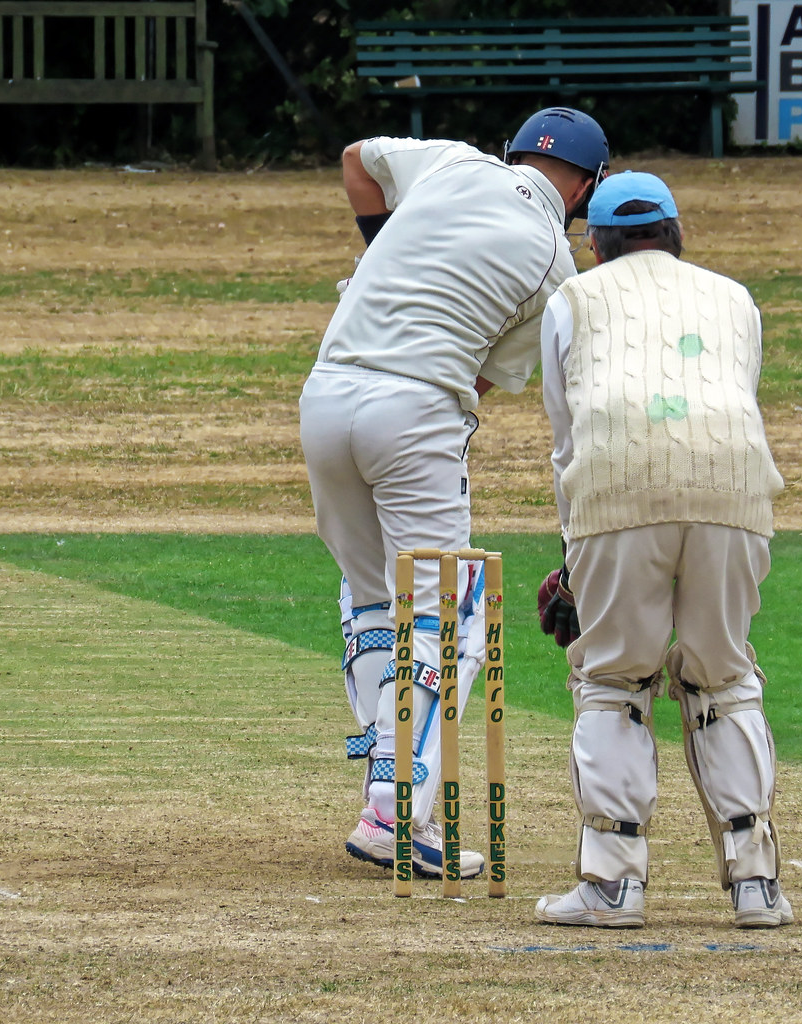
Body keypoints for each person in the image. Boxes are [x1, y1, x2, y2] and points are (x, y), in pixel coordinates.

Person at [299, 107, 610, 880]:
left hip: (325, 392)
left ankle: (385, 771)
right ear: (586, 188)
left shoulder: (452, 163)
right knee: (449, 619)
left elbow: (355, 161)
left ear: (511, 154)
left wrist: (384, 262)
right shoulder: (554, 267)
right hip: (413, 411)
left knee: (373, 598)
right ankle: (395, 814)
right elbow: (476, 381)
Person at [534, 171, 793, 929]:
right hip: (734, 491)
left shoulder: (571, 300)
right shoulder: (734, 297)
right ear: (676, 234)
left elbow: (567, 437)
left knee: (613, 679)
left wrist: (572, 554)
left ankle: (613, 886)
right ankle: (756, 886)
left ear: (595, 242)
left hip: (617, 493)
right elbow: (730, 395)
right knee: (724, 674)